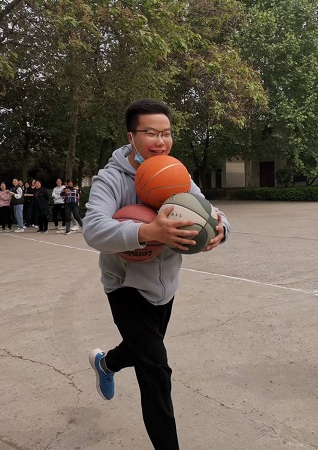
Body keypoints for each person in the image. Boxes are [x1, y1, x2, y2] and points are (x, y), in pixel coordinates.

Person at [83, 98, 231, 449]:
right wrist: (147, 232)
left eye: (166, 133)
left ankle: (106, 364)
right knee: (156, 371)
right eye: (150, 133)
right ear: (131, 137)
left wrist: (222, 228)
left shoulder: (176, 174)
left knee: (141, 351)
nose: (160, 141)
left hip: (165, 285)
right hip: (125, 286)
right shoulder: (111, 179)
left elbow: (209, 210)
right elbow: (93, 228)